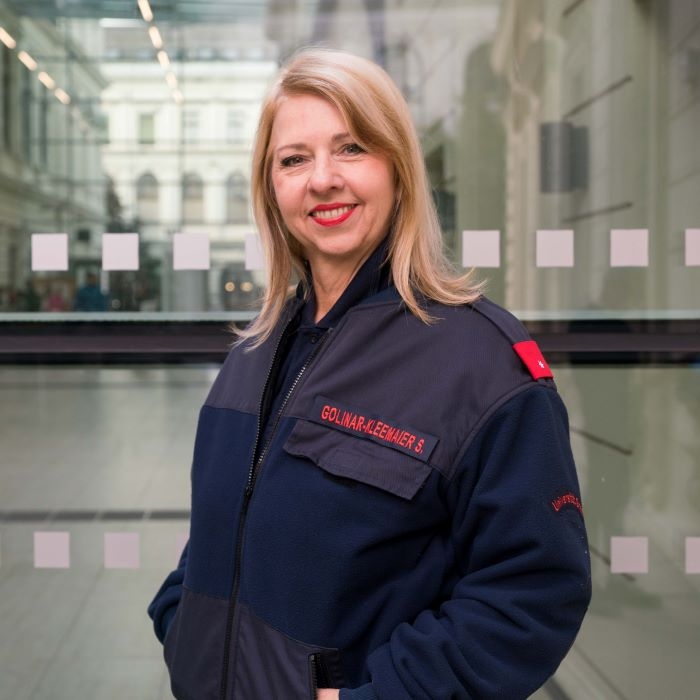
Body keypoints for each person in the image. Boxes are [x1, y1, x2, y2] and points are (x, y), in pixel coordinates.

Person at [148, 48, 591, 700]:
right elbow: (227, 527)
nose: (322, 179)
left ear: (398, 169)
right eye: (293, 159)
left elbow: (533, 589)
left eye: (351, 148)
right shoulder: (255, 351)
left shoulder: (480, 362)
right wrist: (183, 623)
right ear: (271, 189)